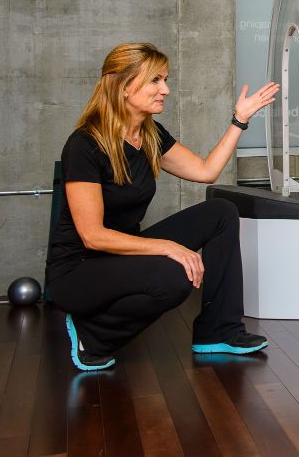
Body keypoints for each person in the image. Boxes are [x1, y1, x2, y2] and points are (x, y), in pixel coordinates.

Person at [45, 43, 279, 370]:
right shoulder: (85, 144)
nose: (165, 90)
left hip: (122, 257)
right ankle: (92, 334)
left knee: (221, 212)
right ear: (123, 87)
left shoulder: (150, 135)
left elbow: (205, 171)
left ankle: (219, 329)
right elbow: (93, 236)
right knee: (174, 276)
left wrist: (239, 120)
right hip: (79, 270)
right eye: (155, 80)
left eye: (165, 80)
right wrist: (168, 248)